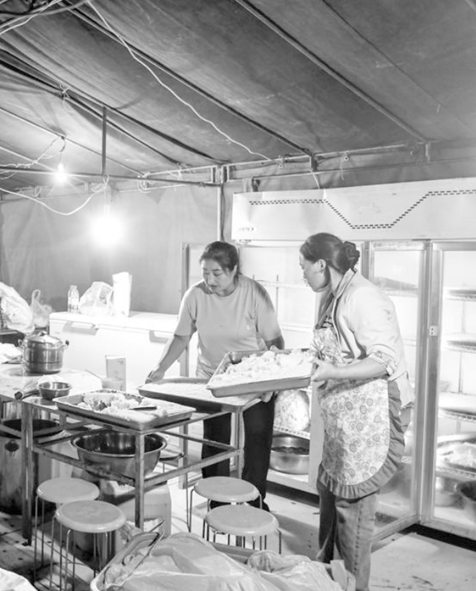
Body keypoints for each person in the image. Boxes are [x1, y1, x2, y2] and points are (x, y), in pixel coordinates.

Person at [299, 232, 411, 591]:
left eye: (303, 267)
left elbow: (383, 359)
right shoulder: (332, 295)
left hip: (370, 415)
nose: (302, 274)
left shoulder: (362, 297)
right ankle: (327, 580)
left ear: (321, 264)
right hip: (345, 417)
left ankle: (352, 585)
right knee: (330, 496)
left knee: (353, 509)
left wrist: (333, 372)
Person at [146, 240, 284, 510]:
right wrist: (160, 368)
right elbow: (181, 337)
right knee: (215, 441)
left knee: (257, 439)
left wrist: (274, 380)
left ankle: (255, 501)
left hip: (252, 378)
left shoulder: (254, 294)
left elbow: (274, 341)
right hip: (212, 378)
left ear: (234, 270)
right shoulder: (195, 295)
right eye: (205, 273)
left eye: (216, 273)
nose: (209, 280)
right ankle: (217, 501)